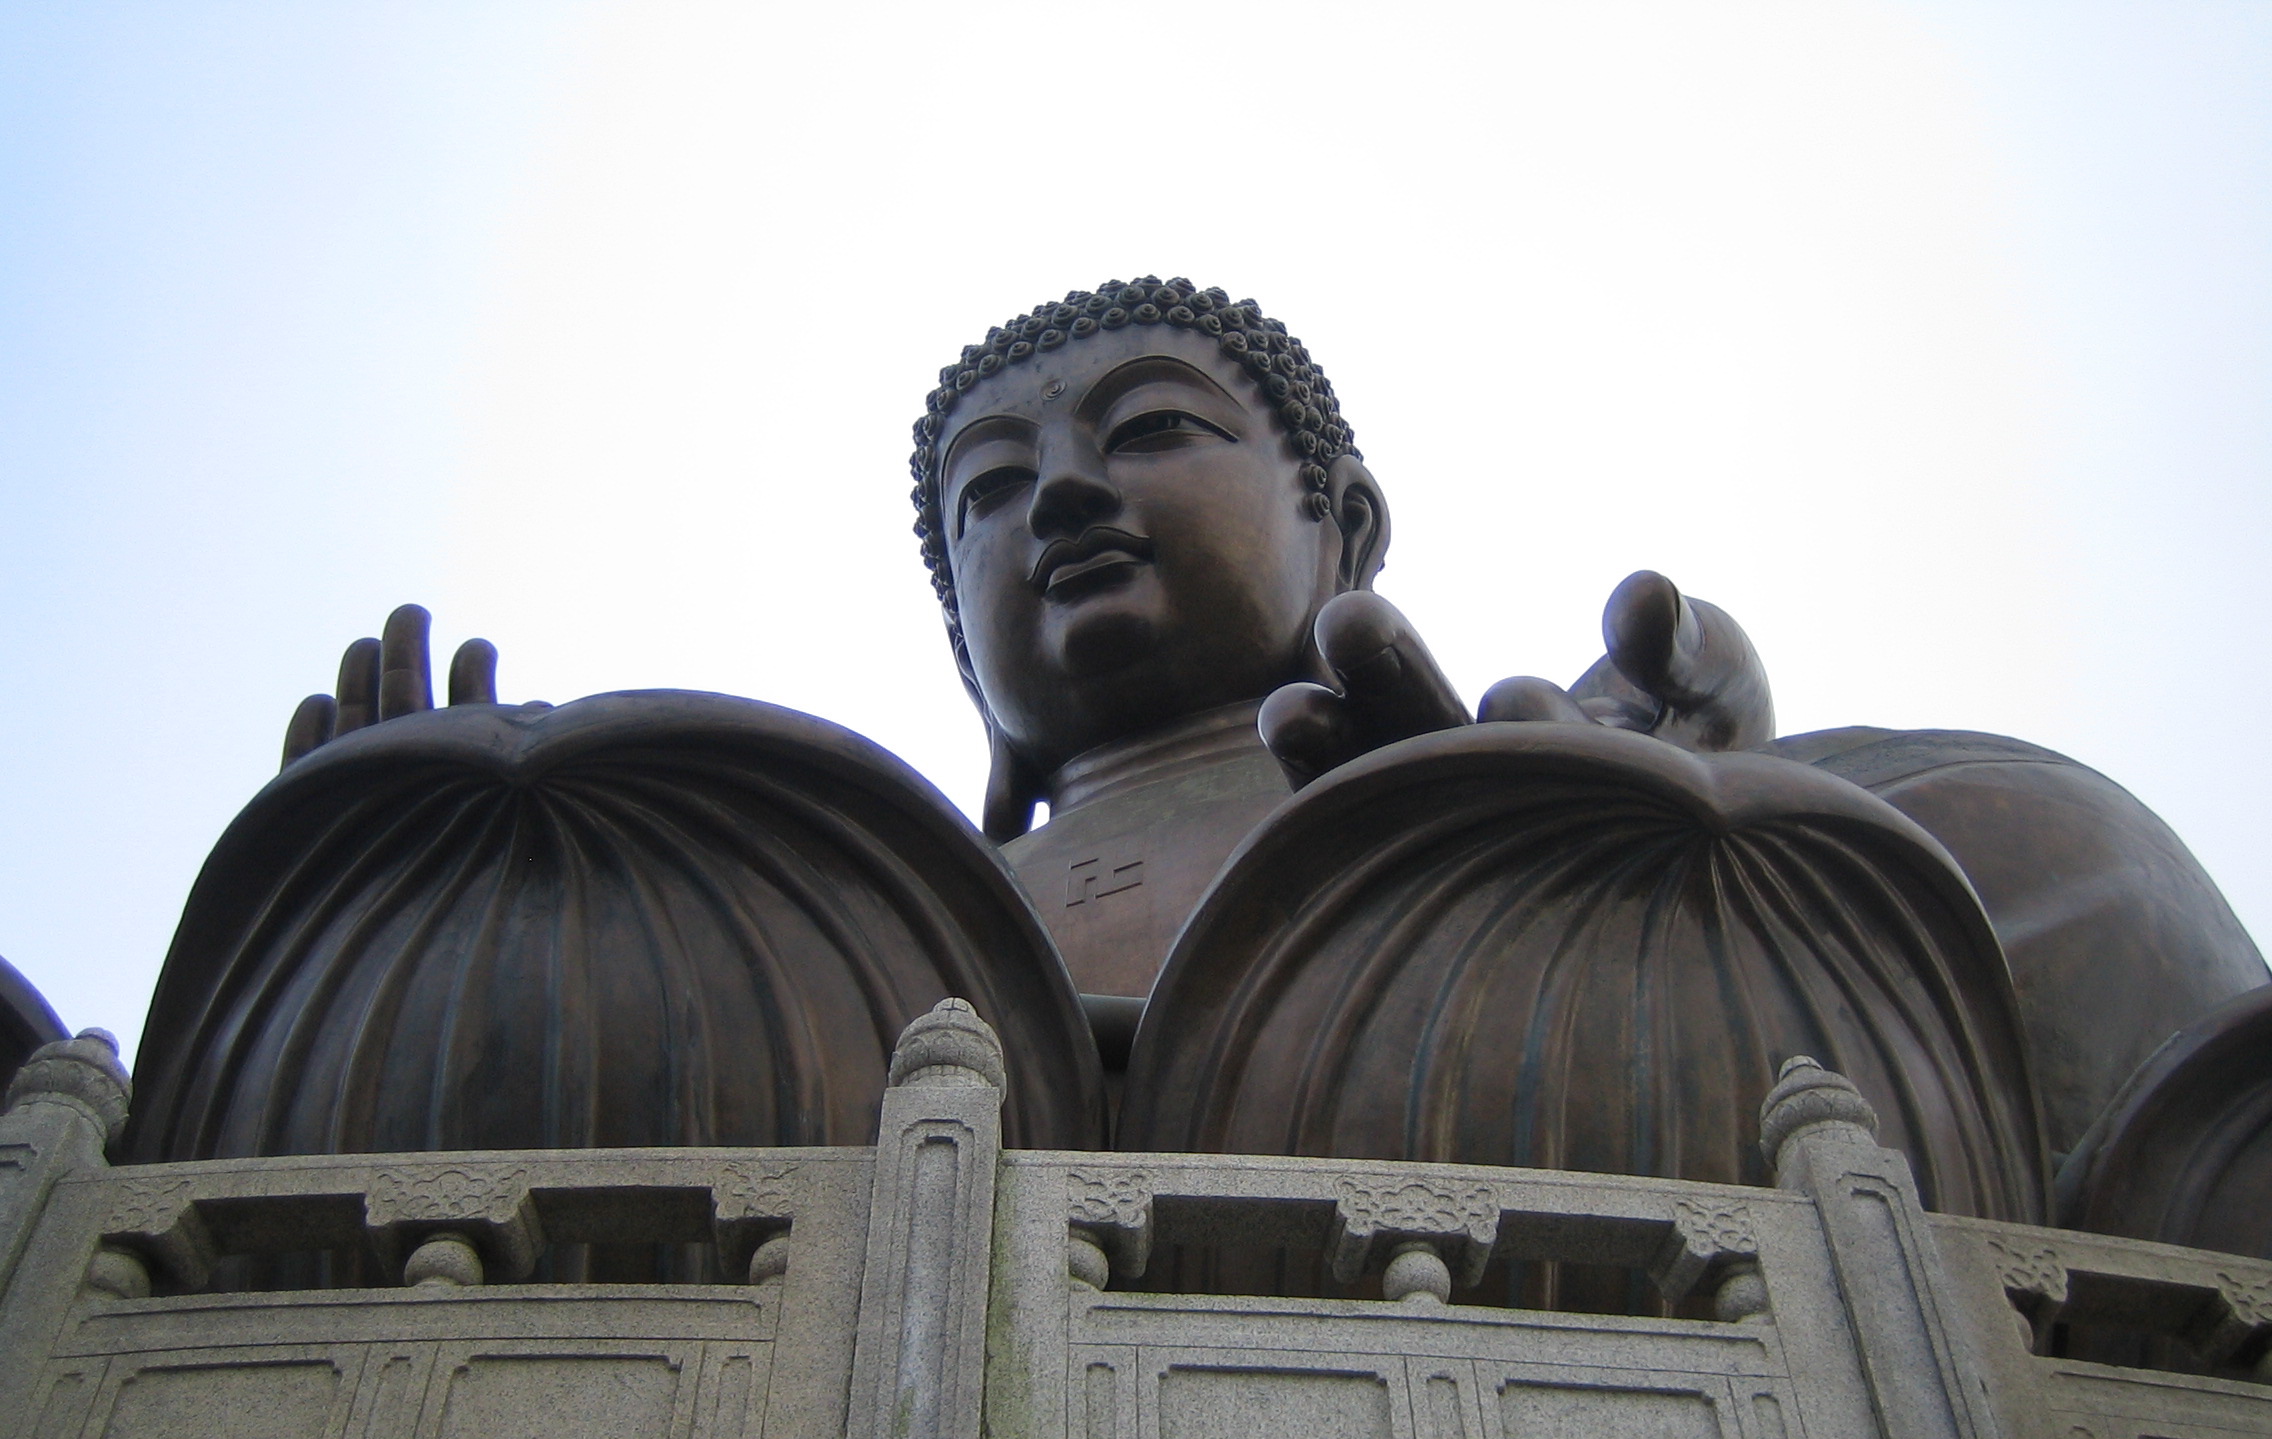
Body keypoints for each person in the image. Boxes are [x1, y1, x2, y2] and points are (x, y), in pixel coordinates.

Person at [287, 274, 2265, 1169]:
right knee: (609, 895)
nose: (1053, 494)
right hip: (926, 1103)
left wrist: (1608, 803)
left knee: (2005, 834)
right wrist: (399, 899)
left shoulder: (1480, 763)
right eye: (987, 490)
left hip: (1468, 1038)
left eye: (1143, 429)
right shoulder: (884, 888)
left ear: (1341, 526)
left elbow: (1848, 860)